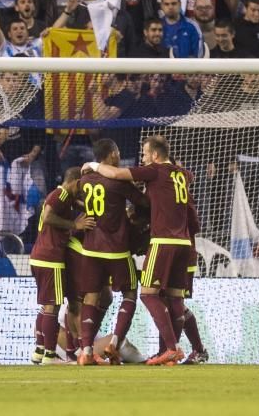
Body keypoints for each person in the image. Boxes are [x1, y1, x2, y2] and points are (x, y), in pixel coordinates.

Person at [86, 135, 195, 366]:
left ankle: (172, 349)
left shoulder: (154, 170)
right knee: (175, 300)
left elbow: (116, 174)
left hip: (163, 241)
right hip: (184, 244)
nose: (143, 158)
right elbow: (184, 179)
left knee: (147, 294)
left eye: (145, 154)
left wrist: (92, 165)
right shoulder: (183, 174)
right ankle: (169, 354)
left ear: (155, 156)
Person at [75, 139, 146, 366]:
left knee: (91, 296)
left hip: (91, 249)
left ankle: (86, 351)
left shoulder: (84, 179)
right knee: (130, 293)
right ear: (112, 154)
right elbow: (144, 202)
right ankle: (114, 344)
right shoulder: (117, 181)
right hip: (115, 248)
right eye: (117, 152)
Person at [28, 168, 93, 366]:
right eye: (81, 186)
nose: (82, 190)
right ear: (74, 181)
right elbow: (47, 217)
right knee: (52, 306)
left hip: (39, 257)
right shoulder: (60, 195)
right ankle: (50, 354)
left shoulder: (63, 197)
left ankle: (39, 351)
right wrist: (75, 225)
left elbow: (80, 204)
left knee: (46, 305)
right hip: (50, 257)